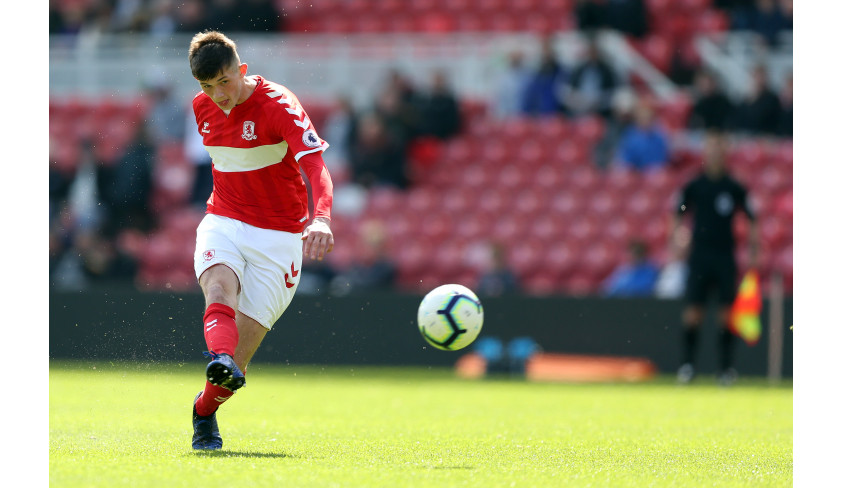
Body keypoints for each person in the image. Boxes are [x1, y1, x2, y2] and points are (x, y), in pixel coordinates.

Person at [185, 31, 334, 450]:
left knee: (240, 364)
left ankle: (203, 409)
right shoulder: (202, 109)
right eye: (207, 87)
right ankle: (219, 358)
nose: (218, 95)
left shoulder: (279, 105)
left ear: (242, 70)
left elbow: (317, 168)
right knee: (218, 287)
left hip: (279, 237)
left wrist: (320, 219)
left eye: (224, 82)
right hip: (224, 219)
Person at [670, 130, 759, 386]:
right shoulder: (695, 186)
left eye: (719, 148)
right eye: (710, 148)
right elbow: (681, 209)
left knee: (725, 314)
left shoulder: (733, 188)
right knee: (693, 313)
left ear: (725, 152)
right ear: (704, 153)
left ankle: (725, 370)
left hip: (724, 256)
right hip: (699, 255)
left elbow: (751, 216)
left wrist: (754, 247)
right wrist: (678, 236)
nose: (714, 153)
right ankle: (687, 367)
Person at [564, 36, 618, 119]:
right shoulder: (579, 70)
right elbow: (571, 90)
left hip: (600, 110)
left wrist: (599, 101)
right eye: (590, 51)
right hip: (580, 108)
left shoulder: (607, 71)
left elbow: (611, 93)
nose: (592, 54)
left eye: (594, 51)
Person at [614, 98, 669, 171]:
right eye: (642, 116)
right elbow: (624, 161)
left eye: (648, 116)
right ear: (636, 117)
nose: (644, 119)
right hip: (634, 175)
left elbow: (662, 161)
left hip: (654, 174)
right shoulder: (629, 136)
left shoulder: (659, 137)